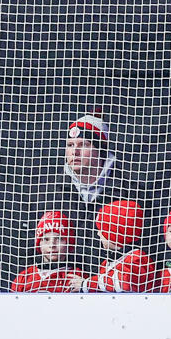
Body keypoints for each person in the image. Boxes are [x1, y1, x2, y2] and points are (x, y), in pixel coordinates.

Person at [38, 113, 125, 271]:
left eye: (83, 144)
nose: (74, 152)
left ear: (101, 150)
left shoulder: (127, 191)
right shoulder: (51, 193)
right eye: (70, 145)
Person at [77, 200, 154, 293]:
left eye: (102, 230)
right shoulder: (107, 262)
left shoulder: (137, 259)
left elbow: (125, 283)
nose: (98, 233)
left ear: (114, 233)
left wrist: (87, 284)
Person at [11, 211, 87, 292]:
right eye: (46, 239)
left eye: (59, 239)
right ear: (39, 244)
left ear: (69, 243)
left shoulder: (77, 278)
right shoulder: (23, 278)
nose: (52, 245)